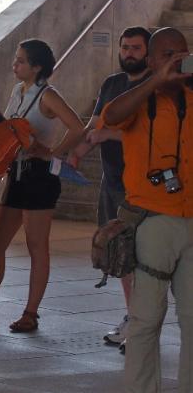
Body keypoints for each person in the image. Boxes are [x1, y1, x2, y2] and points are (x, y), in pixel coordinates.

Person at [101, 27, 193, 393]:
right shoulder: (138, 99)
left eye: (182, 53)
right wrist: (154, 82)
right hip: (152, 221)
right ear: (152, 60)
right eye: (167, 54)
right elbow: (111, 115)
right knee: (146, 320)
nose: (176, 60)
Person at [0, 39, 85, 333]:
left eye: (21, 61)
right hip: (15, 171)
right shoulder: (18, 91)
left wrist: (53, 152)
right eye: (16, 59)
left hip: (38, 174)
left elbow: (77, 126)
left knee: (36, 245)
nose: (15, 65)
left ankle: (31, 312)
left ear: (36, 67)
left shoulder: (48, 95)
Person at [66, 25, 151, 347]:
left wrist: (107, 135)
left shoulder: (152, 89)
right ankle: (133, 316)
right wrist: (78, 151)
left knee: (142, 256)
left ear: (148, 53)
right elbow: (95, 124)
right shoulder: (112, 83)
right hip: (113, 180)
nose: (129, 53)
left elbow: (148, 134)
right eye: (125, 47)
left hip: (142, 185)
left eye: (136, 48)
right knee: (120, 253)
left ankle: (143, 324)